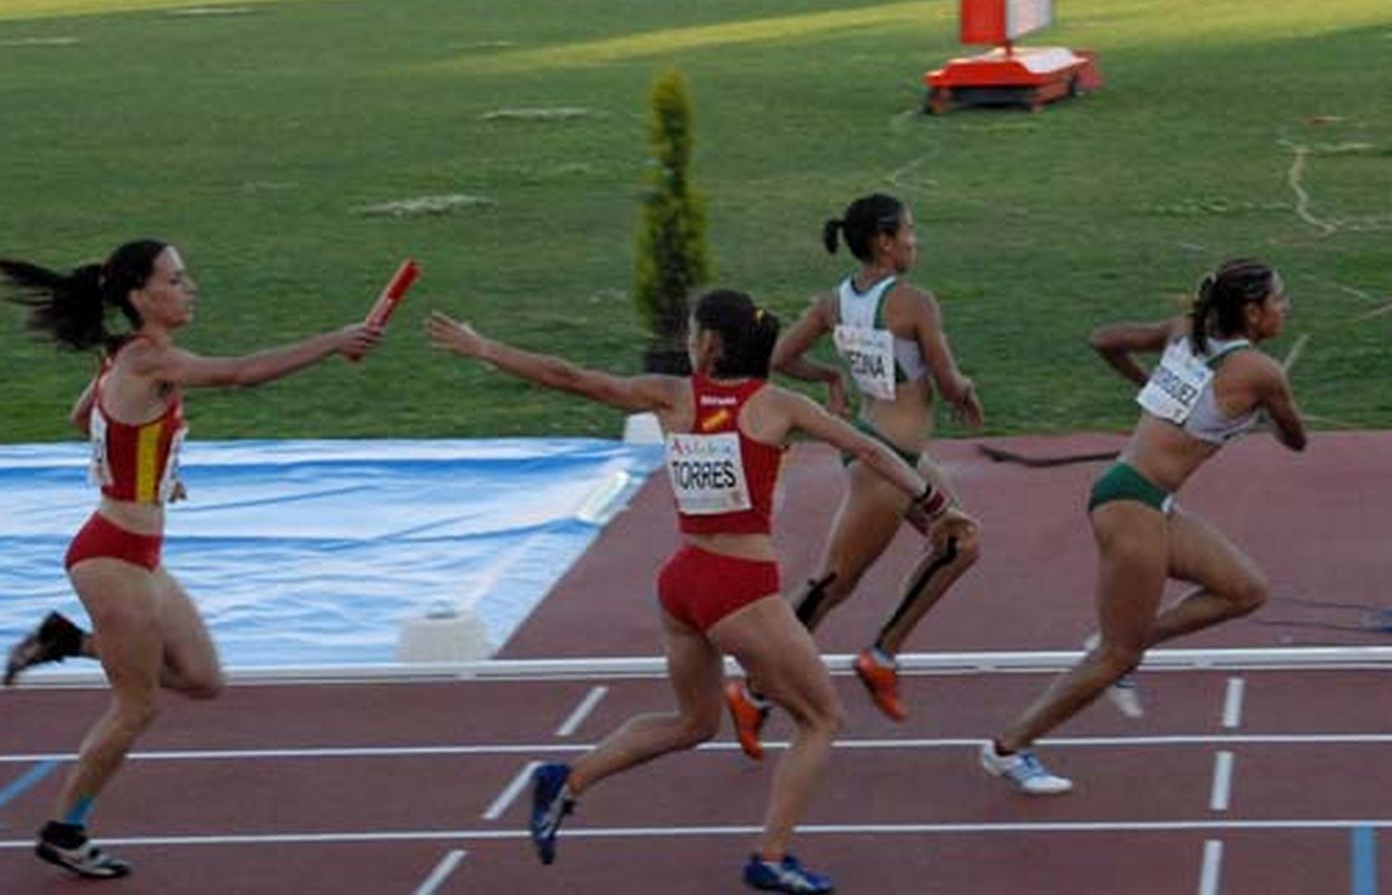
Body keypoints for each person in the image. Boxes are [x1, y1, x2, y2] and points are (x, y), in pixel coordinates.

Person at [426, 289, 973, 894]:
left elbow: (569, 377)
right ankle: (771, 855)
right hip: (739, 590)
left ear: (710, 344)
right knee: (822, 716)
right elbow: (870, 448)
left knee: (694, 722)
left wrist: (482, 348)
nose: (687, 341)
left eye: (691, 332)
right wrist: (936, 504)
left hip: (682, 583)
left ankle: (568, 780)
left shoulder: (673, 396)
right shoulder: (778, 406)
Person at [0, 240, 381, 878]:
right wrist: (335, 339)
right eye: (177, 279)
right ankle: (65, 829)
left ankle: (67, 641)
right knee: (136, 705)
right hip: (110, 555)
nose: (191, 287)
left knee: (203, 679)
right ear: (142, 296)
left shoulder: (123, 357)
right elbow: (241, 373)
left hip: (138, 550)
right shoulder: (149, 360)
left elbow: (81, 415)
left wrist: (144, 465)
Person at [980, 258, 1306, 795]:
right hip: (1132, 505)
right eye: (1280, 298)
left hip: (1144, 499)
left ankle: (1127, 640)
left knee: (1245, 589)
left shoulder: (1185, 332)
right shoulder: (1260, 373)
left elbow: (1104, 339)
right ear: (1252, 312)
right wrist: (1268, 415)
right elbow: (1297, 441)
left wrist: (1154, 386)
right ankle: (1008, 748)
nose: (1286, 307)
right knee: (1116, 656)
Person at [727, 193, 982, 756]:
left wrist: (830, 378)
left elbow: (781, 358)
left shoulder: (833, 302)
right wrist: (965, 391)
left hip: (886, 449)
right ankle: (754, 690)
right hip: (883, 459)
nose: (917, 239)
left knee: (960, 544)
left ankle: (881, 654)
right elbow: (944, 379)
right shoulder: (915, 301)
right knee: (832, 583)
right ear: (884, 242)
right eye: (910, 231)